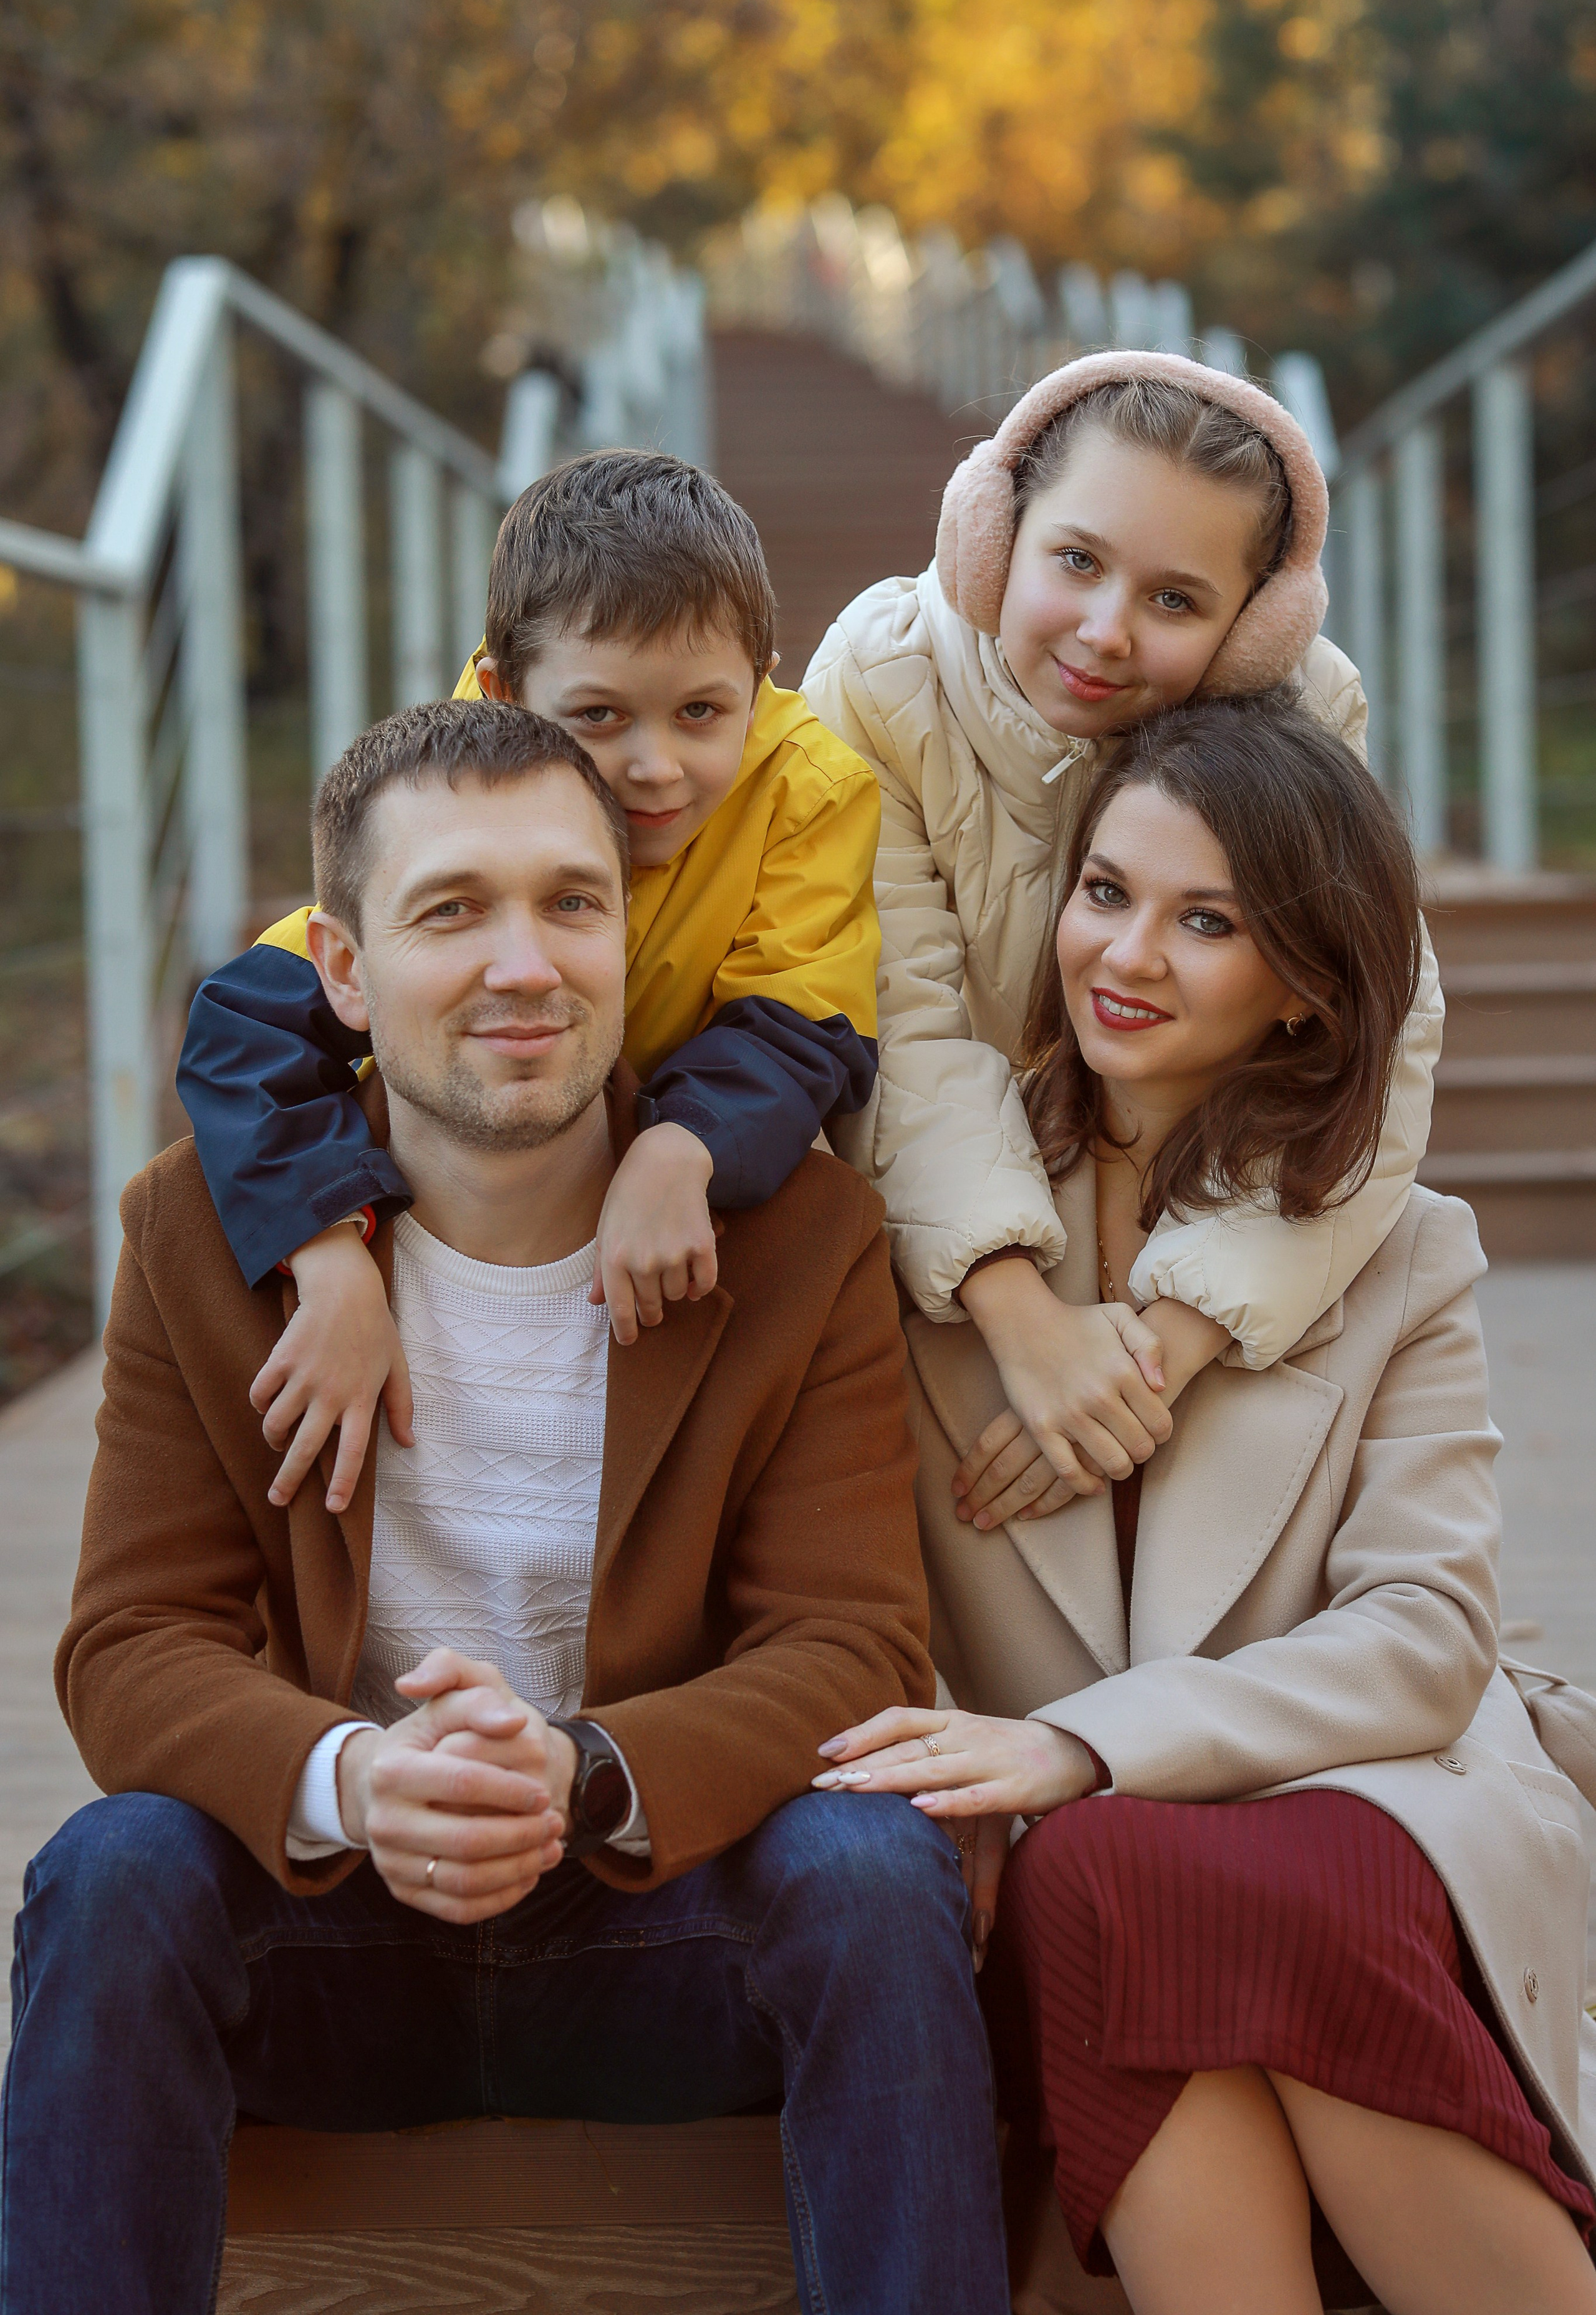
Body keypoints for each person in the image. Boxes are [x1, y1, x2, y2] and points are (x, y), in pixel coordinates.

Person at [3, 701, 1009, 2315]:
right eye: (452, 911)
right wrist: (353, 1780)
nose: (525, 964)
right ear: (340, 968)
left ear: (627, 928)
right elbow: (131, 1646)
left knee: (872, 1863)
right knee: (115, 1871)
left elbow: (854, 1647)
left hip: (656, 1930)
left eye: (571, 902)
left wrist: (584, 1770)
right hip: (334, 1938)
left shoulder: (796, 1236)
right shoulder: (198, 1237)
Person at [812, 697, 1596, 2315]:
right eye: (1105, 893)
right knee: (1109, 1882)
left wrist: (1087, 1747)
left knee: (1109, 1868)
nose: (1130, 955)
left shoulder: (1400, 1248)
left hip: (1383, 1809)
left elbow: (1427, 1638)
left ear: (1307, 986)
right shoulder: (935, 1243)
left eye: (1208, 921)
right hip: (1094, 1879)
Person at [176, 449, 882, 1514]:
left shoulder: (809, 788)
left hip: (650, 1170)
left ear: (760, 675)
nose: (655, 767)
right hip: (462, 1163)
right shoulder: (461, 778)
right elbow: (247, 1020)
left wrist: (681, 1148)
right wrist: (325, 1253)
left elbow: (803, 1019)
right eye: (598, 718)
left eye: (702, 712)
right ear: (506, 692)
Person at [805, 350, 1445, 1521]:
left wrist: (1164, 1351)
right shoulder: (878, 682)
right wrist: (1022, 1319)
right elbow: (903, 1021)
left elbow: (1381, 1022)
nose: (1105, 632)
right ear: (992, 536)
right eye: (1078, 561)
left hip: (1187, 1175)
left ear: (1252, 631)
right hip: (944, 1200)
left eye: (1175, 600)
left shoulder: (1296, 706)